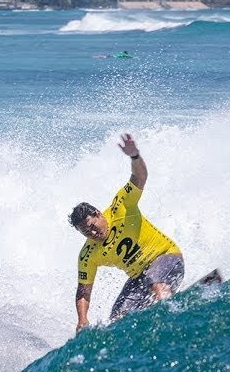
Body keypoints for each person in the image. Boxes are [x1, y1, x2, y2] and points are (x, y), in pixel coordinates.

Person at [68, 133, 184, 333]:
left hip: (167, 257)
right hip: (140, 277)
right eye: (86, 232)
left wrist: (135, 156)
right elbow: (83, 292)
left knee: (154, 280)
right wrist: (82, 319)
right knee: (117, 318)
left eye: (92, 225)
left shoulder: (121, 206)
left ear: (98, 213)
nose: (92, 233)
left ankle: (173, 321)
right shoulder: (88, 255)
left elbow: (140, 177)